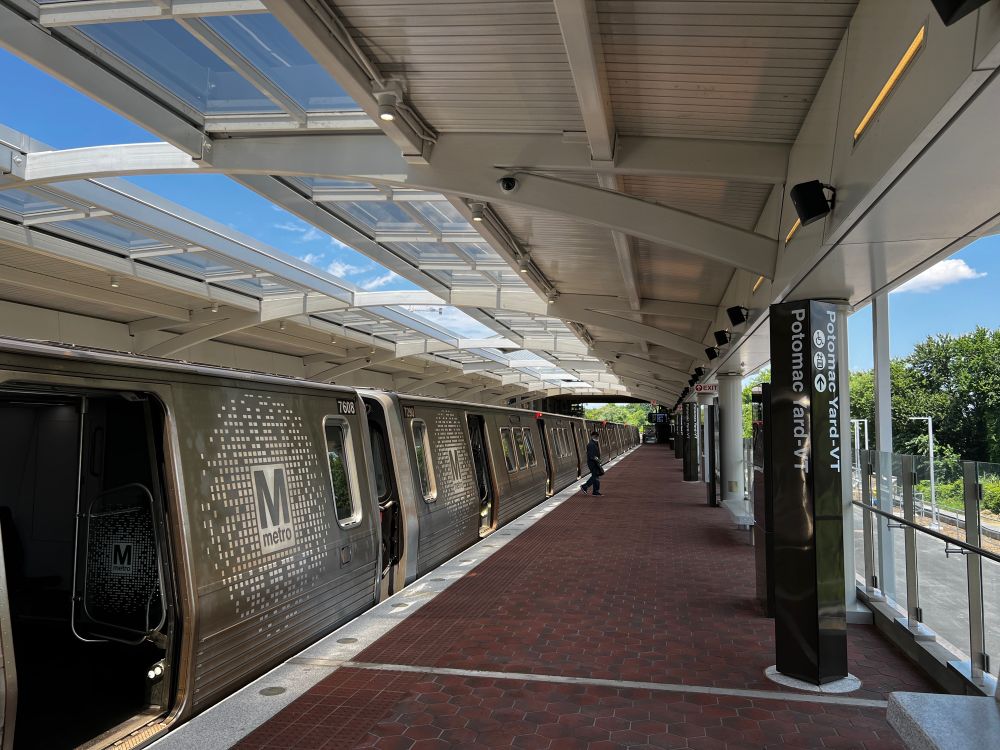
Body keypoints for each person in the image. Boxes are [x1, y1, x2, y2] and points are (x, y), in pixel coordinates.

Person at [580, 430, 604, 496]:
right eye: (597, 437)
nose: (598, 438)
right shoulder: (591, 444)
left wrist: (598, 460)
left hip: (594, 463)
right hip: (593, 463)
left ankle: (595, 491)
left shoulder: (593, 443)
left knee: (596, 476)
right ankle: (585, 486)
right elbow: (591, 456)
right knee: (595, 476)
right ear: (594, 436)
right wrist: (598, 460)